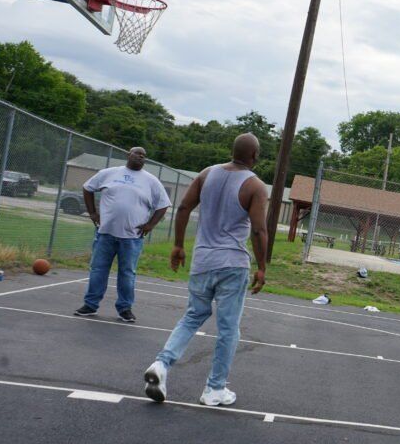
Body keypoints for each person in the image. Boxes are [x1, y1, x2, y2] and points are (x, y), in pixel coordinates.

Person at [142, 134, 268, 406]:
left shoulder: (206, 174)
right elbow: (258, 229)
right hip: (232, 263)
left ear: (232, 151)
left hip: (202, 261)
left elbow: (184, 207)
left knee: (192, 316)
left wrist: (178, 245)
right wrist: (262, 266)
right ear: (255, 156)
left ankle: (161, 364)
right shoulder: (255, 186)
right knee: (228, 328)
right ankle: (214, 388)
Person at [73, 147, 171, 323]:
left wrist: (151, 224)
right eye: (137, 153)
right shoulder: (109, 173)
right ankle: (90, 305)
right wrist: (93, 213)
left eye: (143, 155)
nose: (140, 157)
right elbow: (87, 188)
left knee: (127, 273)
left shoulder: (151, 181)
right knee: (98, 270)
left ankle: (125, 308)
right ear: (129, 155)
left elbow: (163, 205)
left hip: (132, 238)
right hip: (106, 234)